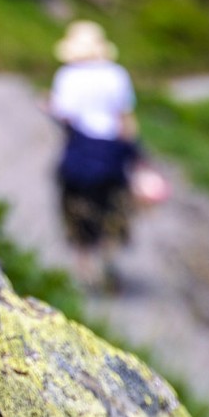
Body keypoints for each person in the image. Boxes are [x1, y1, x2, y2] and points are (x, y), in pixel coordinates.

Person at [48, 20, 139, 289]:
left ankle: (85, 265)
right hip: (111, 151)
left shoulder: (67, 76)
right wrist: (135, 157)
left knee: (77, 207)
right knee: (111, 205)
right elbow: (126, 120)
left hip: (80, 151)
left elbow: (64, 115)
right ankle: (108, 259)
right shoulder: (117, 75)